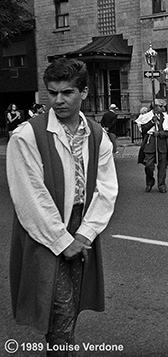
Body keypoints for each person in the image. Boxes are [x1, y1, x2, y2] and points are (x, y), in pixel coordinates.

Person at [7, 58, 118, 351]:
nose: (58, 100)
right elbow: (29, 194)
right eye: (52, 92)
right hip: (45, 228)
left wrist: (84, 233)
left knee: (70, 308)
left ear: (84, 92)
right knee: (56, 309)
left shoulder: (97, 135)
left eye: (67, 92)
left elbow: (106, 188)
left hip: (82, 225)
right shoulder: (27, 135)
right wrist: (61, 239)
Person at [137, 102, 168, 193]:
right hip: (150, 143)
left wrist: (160, 133)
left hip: (163, 143)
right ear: (154, 107)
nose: (163, 108)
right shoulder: (146, 116)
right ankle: (150, 182)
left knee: (162, 166)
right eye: (160, 106)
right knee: (148, 166)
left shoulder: (167, 117)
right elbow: (142, 130)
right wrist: (151, 122)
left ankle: (161, 184)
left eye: (163, 106)